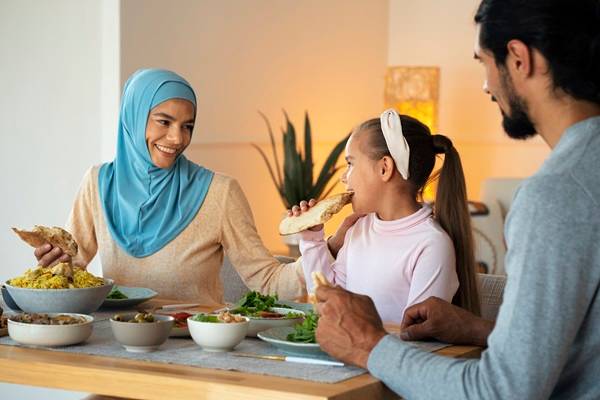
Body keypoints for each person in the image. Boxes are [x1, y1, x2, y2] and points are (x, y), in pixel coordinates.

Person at [314, 0, 600, 398]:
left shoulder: (557, 197)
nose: (486, 85)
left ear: (519, 59)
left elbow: (500, 392)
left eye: (483, 62)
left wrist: (368, 344)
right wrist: (479, 329)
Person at [33, 68, 309, 305]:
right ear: (134, 117)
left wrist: (325, 250)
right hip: (119, 345)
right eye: (164, 121)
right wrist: (52, 262)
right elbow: (67, 275)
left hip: (195, 349)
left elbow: (268, 282)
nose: (177, 138)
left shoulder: (220, 192)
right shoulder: (97, 183)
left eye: (187, 126)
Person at [290, 110, 479, 323]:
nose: (344, 177)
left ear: (384, 168)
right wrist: (312, 240)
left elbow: (417, 337)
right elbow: (326, 307)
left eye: (350, 163)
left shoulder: (432, 244)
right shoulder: (358, 230)